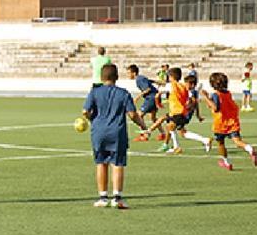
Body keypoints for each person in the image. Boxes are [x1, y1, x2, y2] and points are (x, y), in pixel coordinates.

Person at [82, 63, 147, 209]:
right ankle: (117, 198)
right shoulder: (123, 93)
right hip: (117, 132)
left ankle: (103, 197)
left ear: (101, 77)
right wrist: (143, 126)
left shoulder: (94, 92)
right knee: (117, 164)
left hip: (98, 132)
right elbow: (132, 115)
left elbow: (85, 111)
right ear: (116, 77)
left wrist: (91, 119)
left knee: (101, 163)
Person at [145, 69, 211, 155]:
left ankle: (175, 146)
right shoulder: (183, 86)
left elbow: (158, 93)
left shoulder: (171, 85)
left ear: (171, 77)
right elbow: (193, 99)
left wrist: (158, 103)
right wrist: (190, 108)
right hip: (181, 111)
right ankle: (204, 140)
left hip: (177, 111)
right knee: (181, 131)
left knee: (171, 127)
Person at [203, 72, 257, 170]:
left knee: (221, 144)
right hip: (232, 122)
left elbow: (215, 107)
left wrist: (205, 96)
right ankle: (250, 149)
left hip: (220, 124)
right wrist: (209, 100)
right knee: (237, 141)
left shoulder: (216, 95)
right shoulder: (227, 93)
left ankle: (227, 163)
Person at [126, 65, 158, 140]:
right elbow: (148, 80)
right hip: (154, 97)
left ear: (134, 73)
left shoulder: (139, 79)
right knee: (153, 118)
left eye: (129, 73)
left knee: (139, 115)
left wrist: (137, 97)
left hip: (150, 98)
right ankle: (163, 133)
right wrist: (157, 82)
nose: (128, 75)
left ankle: (145, 134)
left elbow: (147, 89)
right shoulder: (141, 77)